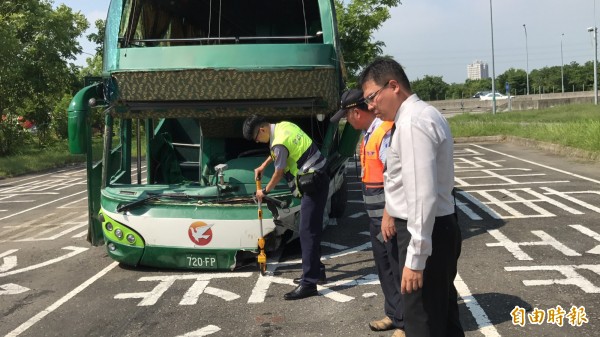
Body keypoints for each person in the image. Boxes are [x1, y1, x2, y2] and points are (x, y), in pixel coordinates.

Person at [359, 57, 464, 337]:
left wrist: (415, 259)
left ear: (393, 86)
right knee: (442, 316)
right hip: (436, 228)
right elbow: (403, 181)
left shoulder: (413, 123)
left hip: (425, 233)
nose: (370, 106)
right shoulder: (417, 116)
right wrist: (390, 211)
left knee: (422, 322)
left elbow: (421, 194)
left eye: (371, 97)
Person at [330, 89, 405, 337]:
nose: (347, 121)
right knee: (384, 268)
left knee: (397, 267)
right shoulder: (368, 133)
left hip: (389, 217)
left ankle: (406, 324)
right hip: (376, 217)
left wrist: (389, 214)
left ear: (355, 112)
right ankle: (393, 314)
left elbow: (394, 177)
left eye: (346, 116)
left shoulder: (384, 132)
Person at [242, 115, 329, 300]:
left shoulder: (278, 142)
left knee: (307, 232)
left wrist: (263, 191)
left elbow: (279, 171)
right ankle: (317, 272)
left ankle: (309, 283)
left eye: (257, 137)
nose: (257, 141)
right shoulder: (284, 126)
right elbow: (279, 152)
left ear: (263, 129)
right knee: (311, 230)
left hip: (313, 182)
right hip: (320, 175)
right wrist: (263, 165)